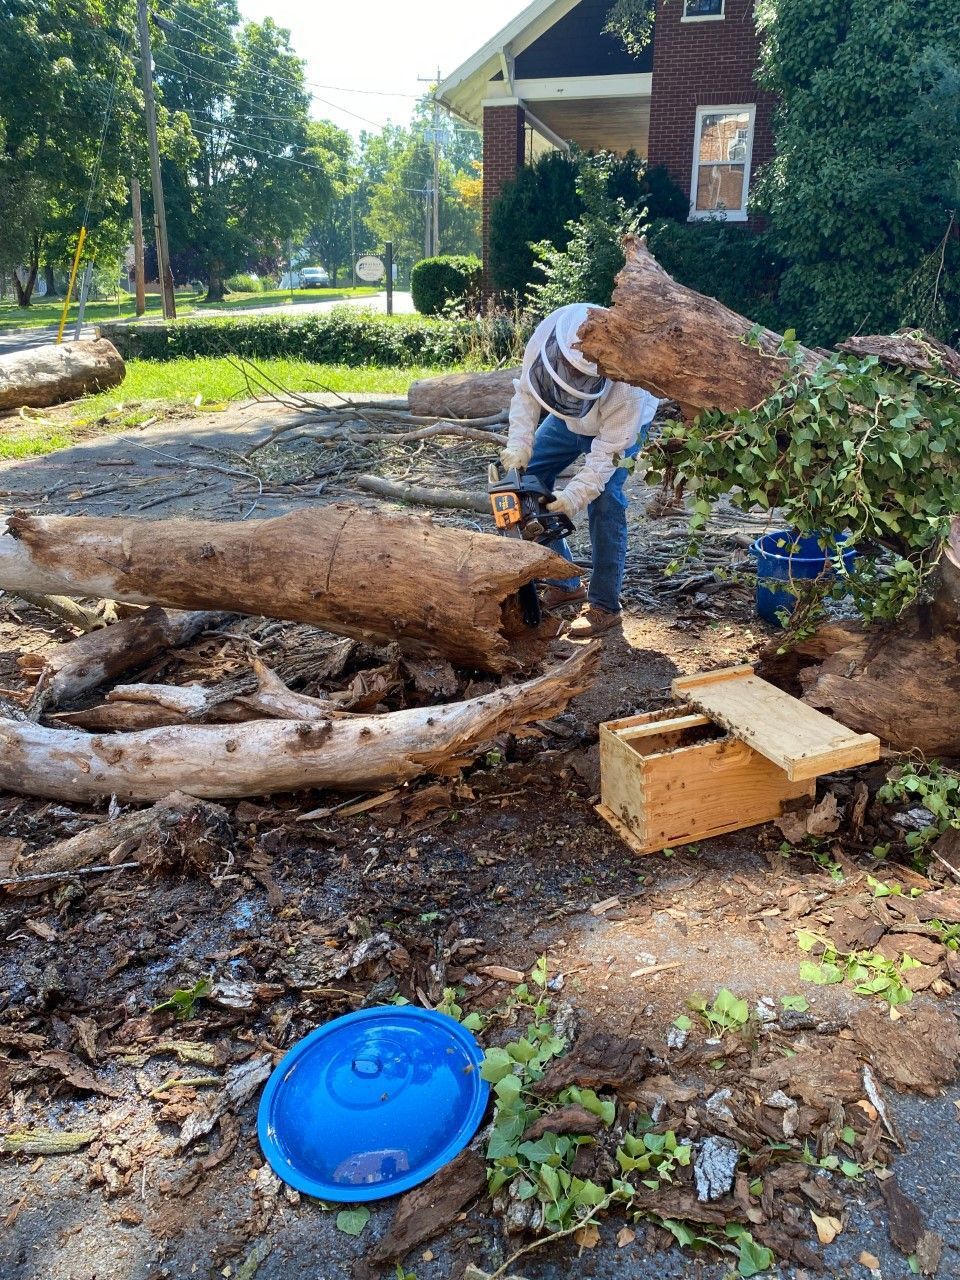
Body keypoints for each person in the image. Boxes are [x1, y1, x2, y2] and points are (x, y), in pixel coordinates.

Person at [500, 302, 659, 637]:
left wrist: (575, 495)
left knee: (606, 502)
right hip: (567, 421)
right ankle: (567, 582)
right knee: (527, 479)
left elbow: (608, 454)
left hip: (617, 428)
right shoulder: (549, 331)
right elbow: (528, 392)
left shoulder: (627, 389)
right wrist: (519, 444)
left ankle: (604, 605)